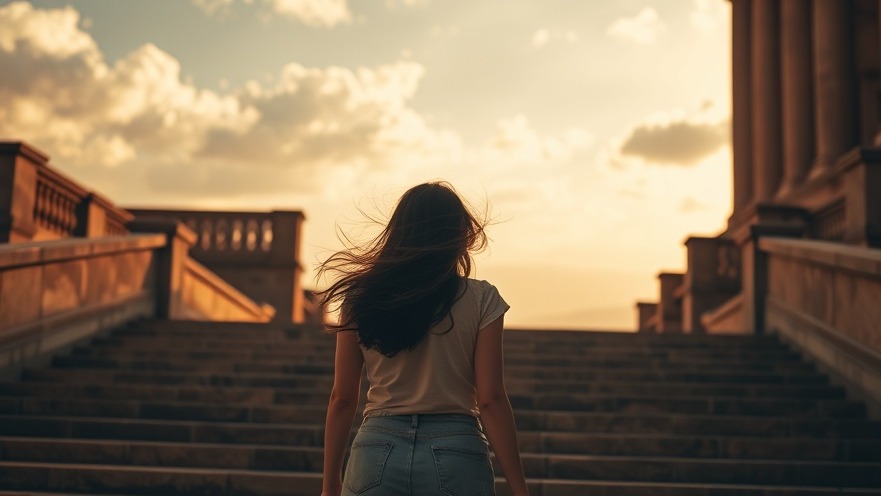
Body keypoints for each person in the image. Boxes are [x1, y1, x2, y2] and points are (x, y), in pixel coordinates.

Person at [318, 182, 529, 496]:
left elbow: (343, 398)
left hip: (376, 448)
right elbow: (490, 399)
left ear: (398, 232)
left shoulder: (360, 299)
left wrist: (329, 485)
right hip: (456, 450)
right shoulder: (482, 298)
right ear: (459, 233)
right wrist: (518, 487)